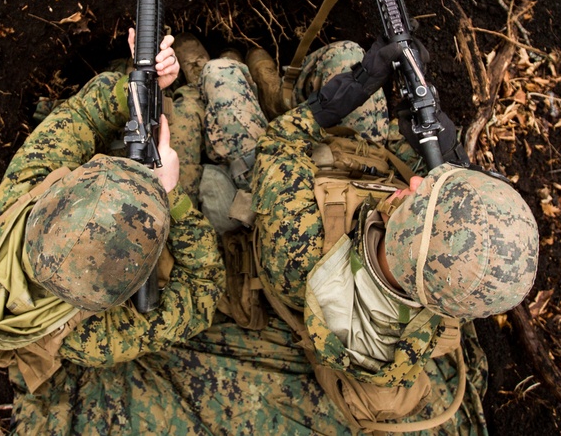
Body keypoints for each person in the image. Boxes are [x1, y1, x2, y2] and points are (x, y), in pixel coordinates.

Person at [181, 34, 540, 435]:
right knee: (347, 54)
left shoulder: (302, 249)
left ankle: (218, 73)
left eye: (422, 199)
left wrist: (335, 101)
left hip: (283, 182)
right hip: (353, 168)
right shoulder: (443, 286)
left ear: (405, 234)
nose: (419, 182)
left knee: (222, 74)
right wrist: (438, 144)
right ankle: (277, 82)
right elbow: (442, 214)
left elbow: (279, 143)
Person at [0, 32, 226, 430]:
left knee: (152, 95)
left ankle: (174, 82)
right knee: (185, 113)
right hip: (167, 190)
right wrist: (171, 194)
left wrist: (136, 90)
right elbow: (203, 289)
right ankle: (198, 87)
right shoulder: (95, 339)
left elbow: (79, 118)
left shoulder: (20, 197)